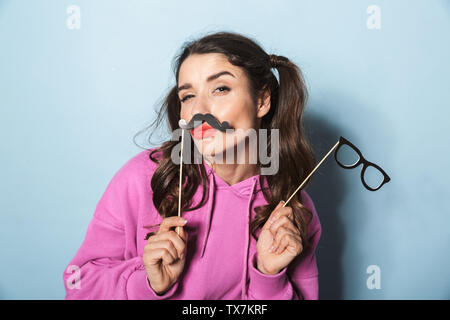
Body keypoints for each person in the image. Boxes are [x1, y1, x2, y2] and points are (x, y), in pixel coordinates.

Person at [63, 31, 322, 300]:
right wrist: (149, 283)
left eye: (220, 89)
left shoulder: (293, 211)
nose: (199, 110)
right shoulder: (143, 177)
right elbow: (79, 287)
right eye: (187, 96)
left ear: (262, 100)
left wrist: (269, 277)